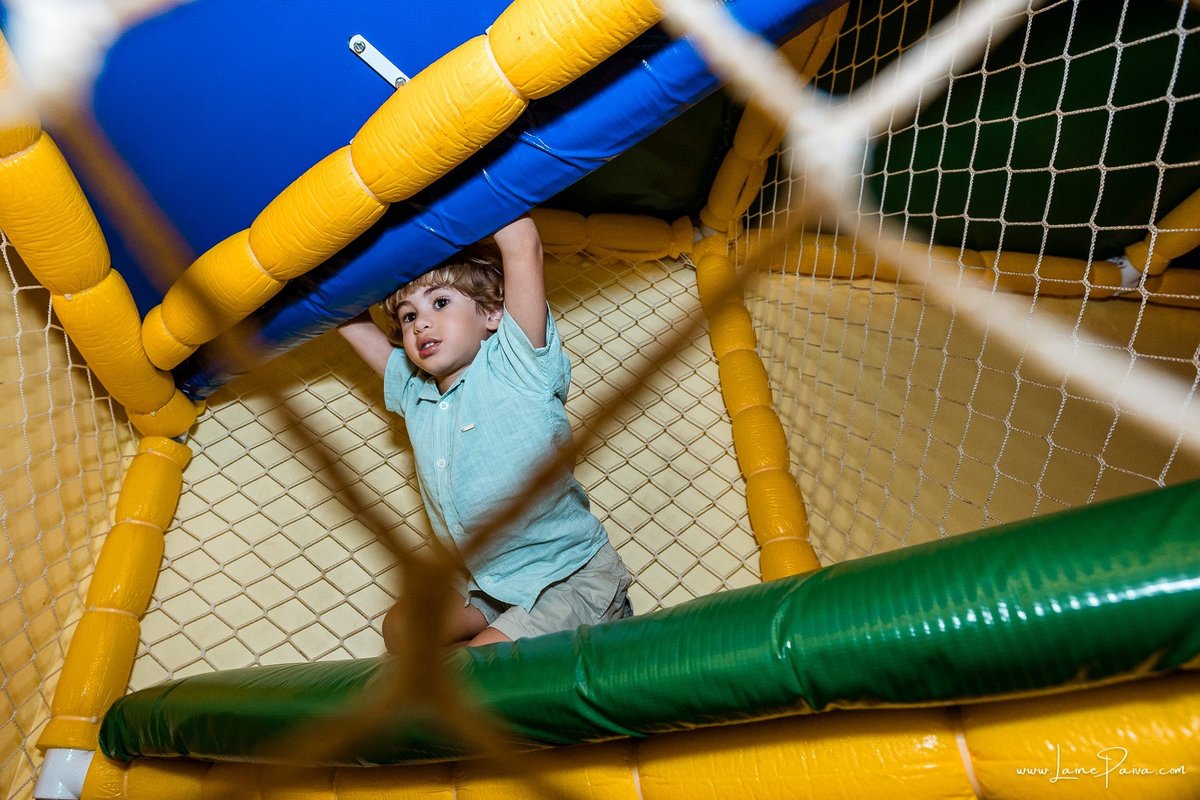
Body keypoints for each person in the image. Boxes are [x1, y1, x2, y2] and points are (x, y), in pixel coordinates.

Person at [338, 215, 633, 649]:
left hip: (565, 577)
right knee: (401, 630)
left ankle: (588, 633)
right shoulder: (414, 391)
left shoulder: (517, 363)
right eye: (408, 316)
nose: (420, 324)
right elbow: (348, 320)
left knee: (477, 670)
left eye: (440, 303)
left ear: (492, 314)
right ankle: (495, 644)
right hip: (487, 583)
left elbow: (521, 242)